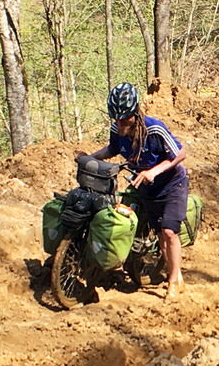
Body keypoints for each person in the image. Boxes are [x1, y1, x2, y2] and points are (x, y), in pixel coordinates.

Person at [80, 82, 190, 298]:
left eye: (125, 119)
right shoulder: (116, 129)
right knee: (159, 233)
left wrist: (154, 171)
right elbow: (112, 149)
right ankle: (172, 273)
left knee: (169, 232)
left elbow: (181, 153)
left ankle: (174, 281)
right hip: (146, 188)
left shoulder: (155, 129)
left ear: (135, 113)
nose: (120, 124)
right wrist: (90, 157)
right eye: (117, 119)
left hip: (172, 184)